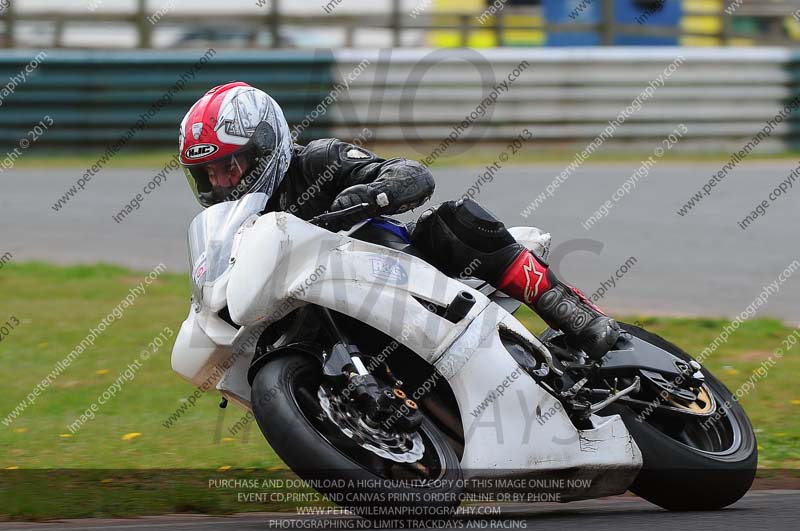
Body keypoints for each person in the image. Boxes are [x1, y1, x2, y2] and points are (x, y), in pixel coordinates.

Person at [178, 82, 620, 359]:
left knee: (452, 222)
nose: (222, 183)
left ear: (265, 147)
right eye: (208, 175)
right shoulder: (234, 229)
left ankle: (568, 310)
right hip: (326, 315)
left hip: (404, 271)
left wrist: (370, 195)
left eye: (230, 167)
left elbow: (410, 173)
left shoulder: (316, 161)